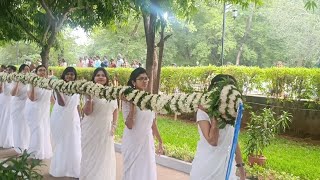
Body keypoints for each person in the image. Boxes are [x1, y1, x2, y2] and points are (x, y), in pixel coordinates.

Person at [190, 74, 246, 180]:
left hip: (225, 166)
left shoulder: (231, 112)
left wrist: (242, 170)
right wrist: (213, 115)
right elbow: (213, 141)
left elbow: (234, 142)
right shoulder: (203, 111)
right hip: (207, 166)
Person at [121, 67, 164, 180]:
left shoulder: (150, 98)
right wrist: (132, 106)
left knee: (146, 170)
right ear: (134, 82)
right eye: (141, 79)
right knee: (133, 170)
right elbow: (129, 125)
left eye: (146, 78)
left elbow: (152, 122)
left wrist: (160, 140)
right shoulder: (126, 98)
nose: (145, 81)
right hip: (132, 141)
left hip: (146, 141)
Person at [80, 67, 118, 180]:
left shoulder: (111, 92)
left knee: (104, 155)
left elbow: (115, 109)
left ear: (106, 78)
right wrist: (90, 98)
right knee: (91, 154)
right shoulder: (88, 91)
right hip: (91, 128)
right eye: (98, 75)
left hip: (106, 128)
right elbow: (87, 112)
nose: (100, 77)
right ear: (94, 78)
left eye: (103, 75)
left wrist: (114, 125)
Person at [50, 67, 81, 178]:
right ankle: (60, 168)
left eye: (72, 74)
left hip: (74, 117)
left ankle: (73, 168)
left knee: (74, 140)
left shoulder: (77, 87)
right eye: (67, 74)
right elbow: (62, 103)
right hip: (60, 116)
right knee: (62, 141)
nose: (69, 76)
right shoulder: (59, 86)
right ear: (63, 75)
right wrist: (57, 89)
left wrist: (80, 117)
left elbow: (77, 104)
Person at [25, 65, 52, 159]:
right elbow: (32, 98)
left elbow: (52, 99)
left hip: (45, 110)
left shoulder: (49, 83)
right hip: (34, 110)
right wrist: (33, 85)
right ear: (36, 72)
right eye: (40, 70)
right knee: (38, 130)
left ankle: (43, 152)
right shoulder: (32, 83)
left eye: (44, 70)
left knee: (44, 129)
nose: (42, 72)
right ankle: (35, 153)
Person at [10, 64, 30, 153]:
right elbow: (13, 93)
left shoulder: (30, 81)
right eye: (25, 69)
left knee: (26, 127)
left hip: (28, 106)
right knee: (18, 126)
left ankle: (26, 145)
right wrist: (18, 82)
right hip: (18, 106)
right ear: (21, 70)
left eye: (28, 70)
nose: (27, 71)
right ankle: (18, 147)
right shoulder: (15, 80)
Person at [0, 65, 17, 148]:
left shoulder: (15, 79)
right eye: (7, 69)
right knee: (4, 119)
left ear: (13, 71)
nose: (8, 71)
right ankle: (3, 140)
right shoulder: (3, 78)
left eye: (10, 70)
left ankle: (11, 140)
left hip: (12, 101)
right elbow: (1, 90)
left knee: (11, 120)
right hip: (4, 100)